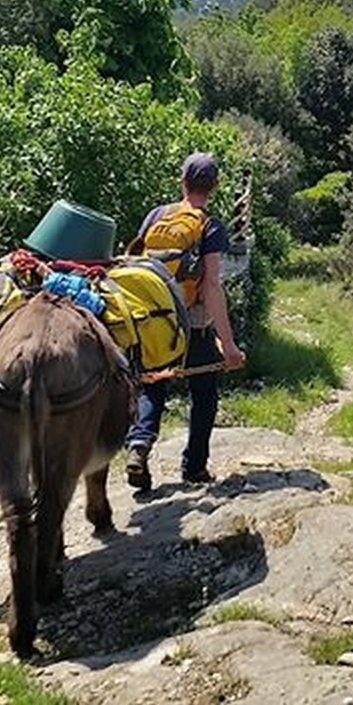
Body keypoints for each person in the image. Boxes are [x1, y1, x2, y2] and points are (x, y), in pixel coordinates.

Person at [124, 152, 246, 488]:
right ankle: (194, 468)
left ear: (183, 182)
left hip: (153, 319)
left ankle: (139, 444)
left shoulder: (157, 215)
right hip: (193, 323)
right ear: (214, 187)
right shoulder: (210, 226)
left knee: (152, 384)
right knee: (204, 394)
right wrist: (229, 345)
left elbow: (136, 263)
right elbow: (211, 286)